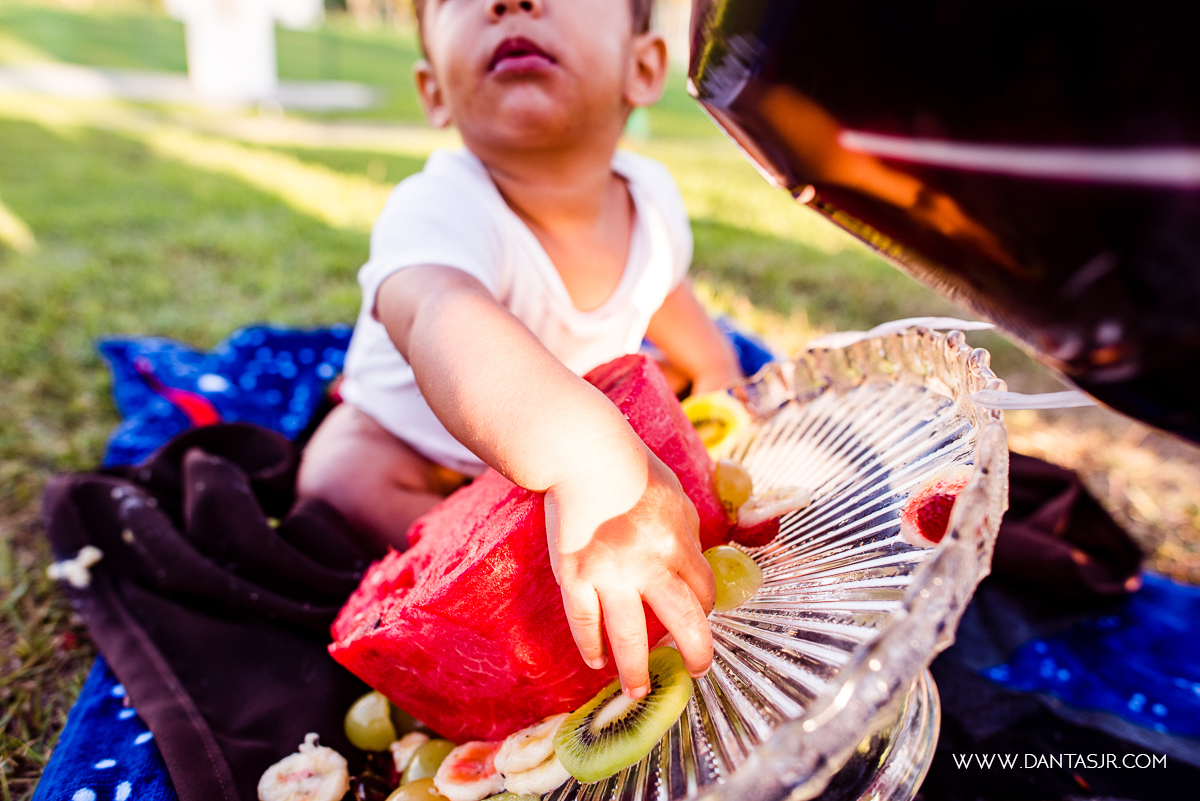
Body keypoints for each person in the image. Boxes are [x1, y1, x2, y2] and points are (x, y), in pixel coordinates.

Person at [298, 0, 741, 702]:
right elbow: (442, 313)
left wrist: (718, 368)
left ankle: (557, 540)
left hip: (566, 447)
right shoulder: (439, 206)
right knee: (338, 480)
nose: (509, 2)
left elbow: (662, 286)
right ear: (433, 91)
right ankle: (491, 571)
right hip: (413, 446)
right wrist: (588, 454)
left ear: (644, 66)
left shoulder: (653, 202)